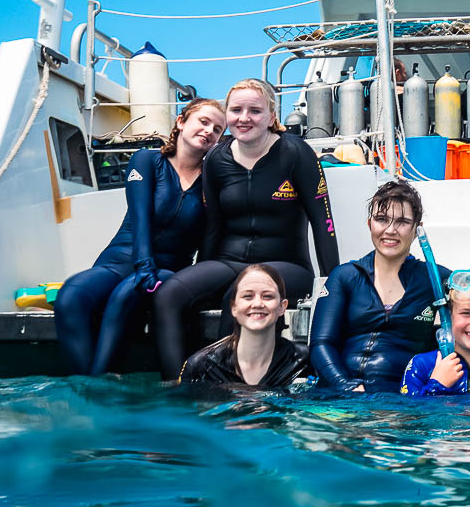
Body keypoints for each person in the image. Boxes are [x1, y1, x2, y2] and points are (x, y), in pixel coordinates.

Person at [153, 79, 340, 377]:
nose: (244, 118)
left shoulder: (295, 153)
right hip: (229, 260)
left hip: (287, 265)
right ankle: (179, 389)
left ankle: (234, 390)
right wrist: (202, 279)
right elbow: (213, 226)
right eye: (236, 110)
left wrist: (333, 283)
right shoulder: (217, 158)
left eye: (255, 110)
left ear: (271, 116)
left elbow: (323, 222)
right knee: (169, 294)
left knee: (238, 295)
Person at [55, 98, 225, 375]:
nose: (209, 131)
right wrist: (144, 266)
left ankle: (100, 383)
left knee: (127, 293)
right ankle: (88, 387)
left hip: (171, 269)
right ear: (181, 122)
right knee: (70, 295)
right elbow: (140, 217)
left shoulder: (211, 182)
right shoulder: (147, 160)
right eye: (203, 122)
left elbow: (211, 238)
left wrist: (201, 289)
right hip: (121, 260)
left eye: (217, 129)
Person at [310, 180, 444, 393]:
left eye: (402, 222)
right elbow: (321, 344)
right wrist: (346, 386)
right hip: (341, 397)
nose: (390, 230)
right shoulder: (345, 276)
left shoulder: (435, 278)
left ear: (417, 229)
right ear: (369, 223)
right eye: (381, 220)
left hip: (402, 401)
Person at [178, 264, 310, 387]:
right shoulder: (202, 367)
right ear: (233, 307)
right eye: (248, 296)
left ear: (282, 307)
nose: (257, 303)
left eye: (267, 296)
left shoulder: (304, 362)